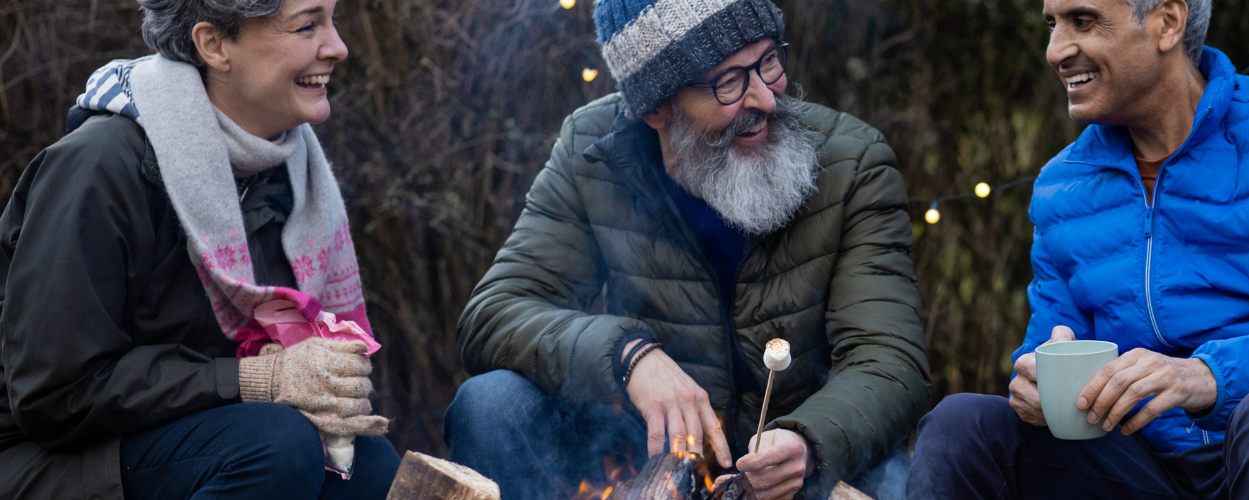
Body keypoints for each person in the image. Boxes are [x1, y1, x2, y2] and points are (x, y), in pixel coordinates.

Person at [906, 0, 1249, 498]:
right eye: (1052, 24)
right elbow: (1056, 353)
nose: (1056, 49)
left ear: (1167, 22)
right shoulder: (1063, 187)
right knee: (962, 424)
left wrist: (1210, 377)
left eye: (1083, 21)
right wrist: (1035, 382)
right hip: (1148, 472)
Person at [443, 0, 929, 498]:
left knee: (901, 485)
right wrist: (629, 356)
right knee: (490, 404)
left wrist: (809, 440)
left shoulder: (853, 161)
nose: (764, 97)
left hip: (801, 466)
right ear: (656, 106)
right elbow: (493, 313)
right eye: (728, 82)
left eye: (768, 61)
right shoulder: (593, 152)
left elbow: (889, 359)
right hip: (644, 455)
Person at [0, 0, 399, 499]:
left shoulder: (283, 171)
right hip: (43, 459)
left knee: (364, 462)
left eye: (332, 21)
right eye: (306, 26)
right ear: (214, 45)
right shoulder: (97, 169)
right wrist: (257, 378)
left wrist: (304, 372)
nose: (337, 48)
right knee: (279, 444)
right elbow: (54, 394)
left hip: (174, 433)